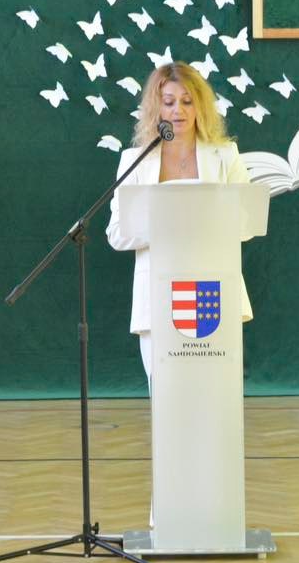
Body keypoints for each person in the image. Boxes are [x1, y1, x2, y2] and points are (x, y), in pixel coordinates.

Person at [105, 62, 254, 384]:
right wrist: (170, 225)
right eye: (169, 102)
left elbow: (246, 225)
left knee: (214, 392)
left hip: (213, 293)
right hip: (157, 295)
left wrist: (211, 220)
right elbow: (116, 234)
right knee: (165, 392)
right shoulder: (135, 161)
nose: (178, 110)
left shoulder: (226, 155)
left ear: (201, 106)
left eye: (187, 101)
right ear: (156, 108)